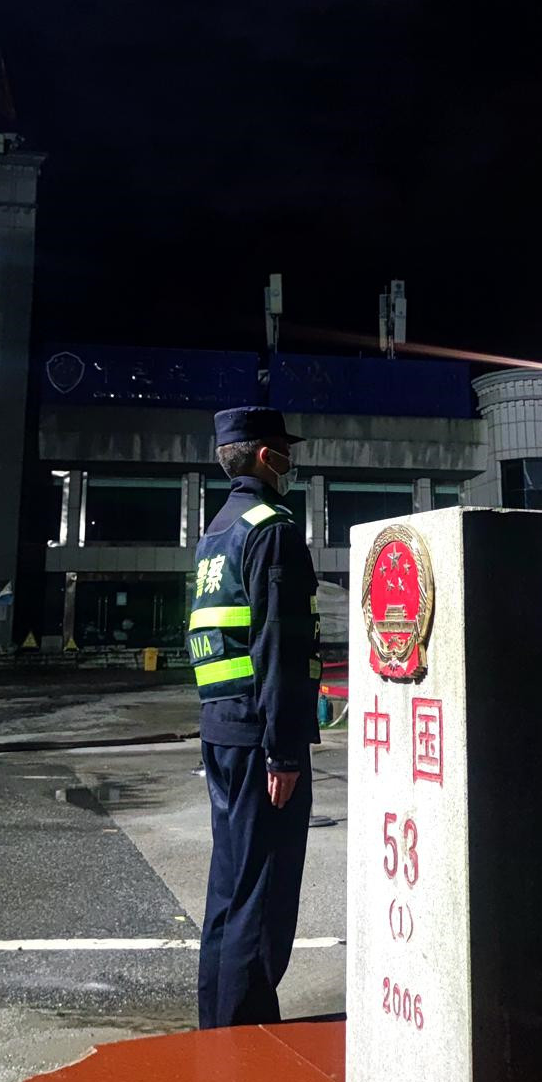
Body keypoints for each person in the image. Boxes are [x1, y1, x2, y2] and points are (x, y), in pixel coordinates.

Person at [189, 405, 322, 1029]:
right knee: (263, 891)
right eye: (285, 451)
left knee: (230, 886)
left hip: (221, 727)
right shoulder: (271, 528)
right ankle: (245, 1032)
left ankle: (218, 1023)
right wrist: (285, 749)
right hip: (259, 737)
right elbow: (279, 645)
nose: (291, 462)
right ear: (267, 457)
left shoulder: (216, 532)